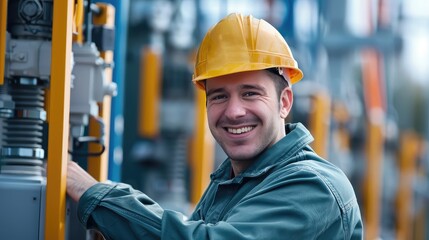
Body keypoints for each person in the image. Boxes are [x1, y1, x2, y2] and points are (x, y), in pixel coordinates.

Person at [67, 13, 364, 239]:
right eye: (219, 96)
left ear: (284, 102)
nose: (234, 112)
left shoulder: (314, 187)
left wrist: (96, 195)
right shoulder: (235, 181)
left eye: (250, 93)